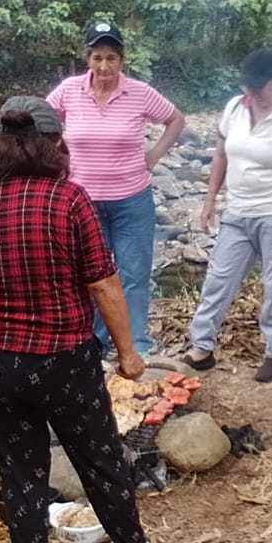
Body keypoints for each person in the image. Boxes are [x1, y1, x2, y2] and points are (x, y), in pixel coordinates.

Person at [0, 96, 175, 543]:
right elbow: (104, 284)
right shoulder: (69, 200)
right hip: (65, 362)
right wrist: (128, 353)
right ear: (55, 145)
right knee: (99, 460)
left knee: (21, 474)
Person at [45, 21, 186, 356]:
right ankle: (94, 341)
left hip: (132, 201)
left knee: (133, 274)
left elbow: (176, 119)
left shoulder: (139, 92)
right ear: (88, 59)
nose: (104, 66)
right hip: (82, 203)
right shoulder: (69, 90)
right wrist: (57, 159)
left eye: (111, 58)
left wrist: (154, 155)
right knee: (89, 275)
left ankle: (134, 346)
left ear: (121, 60)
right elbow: (41, 119)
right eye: (97, 57)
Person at [181, 48, 272, 383]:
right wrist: (210, 199)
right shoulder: (234, 109)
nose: (253, 91)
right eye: (249, 85)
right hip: (237, 211)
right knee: (218, 280)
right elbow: (221, 157)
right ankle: (202, 347)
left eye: (259, 85)